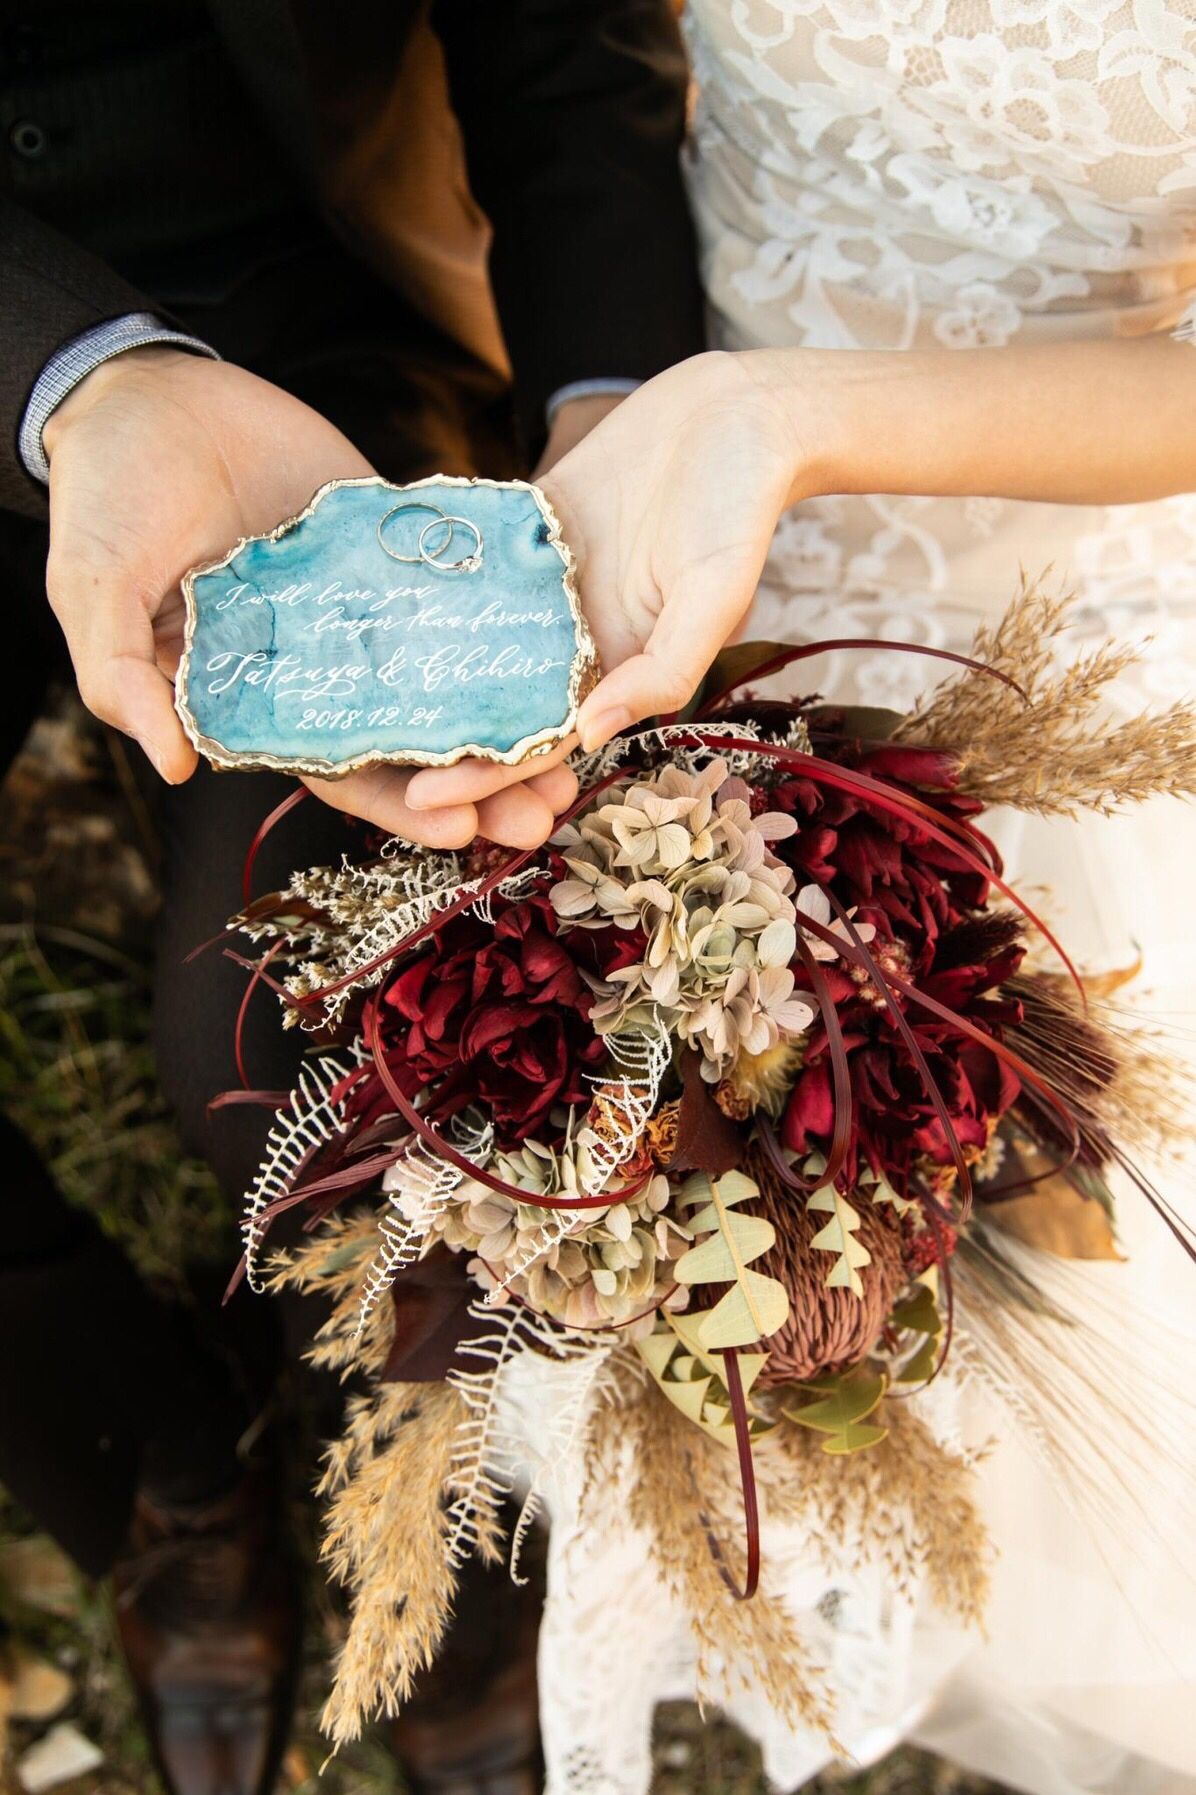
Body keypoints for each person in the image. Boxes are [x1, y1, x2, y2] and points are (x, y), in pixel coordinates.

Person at [406, 6, 1196, 1793]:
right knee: (646, 1154)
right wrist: (612, 413)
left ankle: (939, 1570)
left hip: (1060, 563)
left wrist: (777, 420)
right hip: (667, 460)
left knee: (981, 1162)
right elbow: (572, 58)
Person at [0, 6, 704, 1793]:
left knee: (292, 1038)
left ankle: (422, 1535)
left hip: (313, 364)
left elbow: (571, 56)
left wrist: (615, 420)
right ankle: (161, 1458)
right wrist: (69, 370)